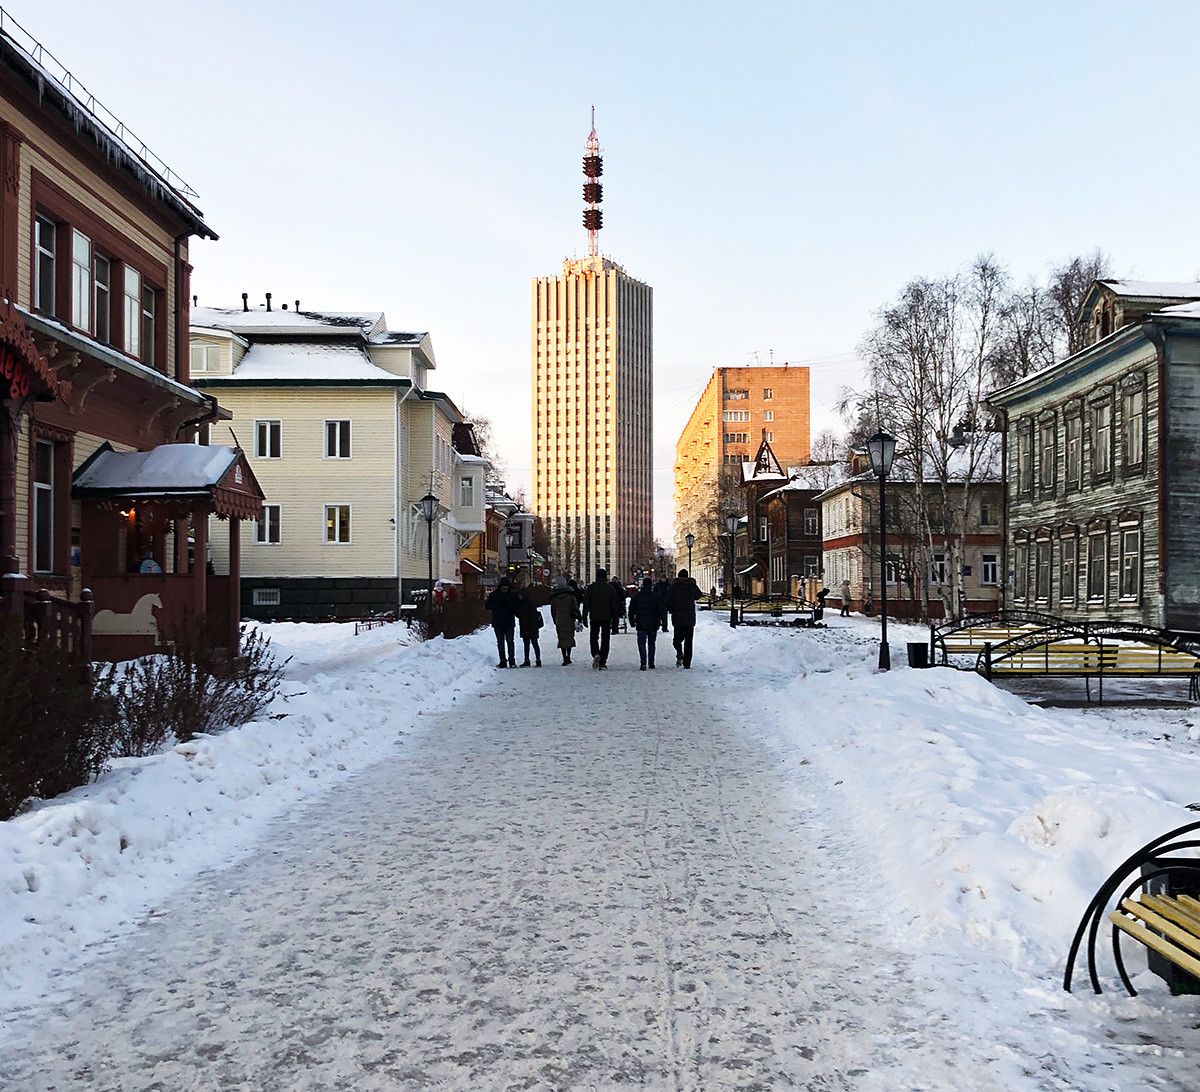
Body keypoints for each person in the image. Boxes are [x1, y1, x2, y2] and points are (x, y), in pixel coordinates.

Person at [581, 567, 623, 670]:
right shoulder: (610, 589)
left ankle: (595, 653)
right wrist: (615, 622)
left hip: (594, 616)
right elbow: (614, 606)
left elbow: (586, 604)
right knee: (605, 638)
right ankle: (603, 661)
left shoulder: (591, 588)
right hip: (606, 617)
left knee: (594, 637)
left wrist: (584, 617)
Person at [666, 568, 704, 668]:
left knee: (676, 640)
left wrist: (671, 610)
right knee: (688, 641)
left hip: (678, 618)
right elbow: (698, 595)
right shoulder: (692, 586)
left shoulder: (674, 587)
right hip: (689, 618)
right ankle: (687, 663)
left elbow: (669, 600)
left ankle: (679, 652)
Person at [628, 577, 667, 670]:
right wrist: (664, 624)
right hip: (653, 623)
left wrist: (632, 622)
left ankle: (643, 663)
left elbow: (631, 610)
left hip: (641, 623)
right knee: (652, 643)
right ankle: (651, 663)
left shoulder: (637, 596)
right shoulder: (656, 596)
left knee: (641, 643)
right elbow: (662, 611)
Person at [484, 577, 519, 668]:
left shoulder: (512, 595)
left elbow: (517, 607)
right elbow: (487, 606)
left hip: (508, 622)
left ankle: (511, 661)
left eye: (506, 588)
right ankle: (503, 660)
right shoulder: (494, 595)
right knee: (501, 642)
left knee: (509, 642)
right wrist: (497, 605)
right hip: (499, 622)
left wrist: (510, 605)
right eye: (504, 588)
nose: (505, 590)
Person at [550, 577, 581, 665]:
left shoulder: (554, 597)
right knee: (569, 637)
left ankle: (564, 657)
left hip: (560, 619)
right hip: (569, 618)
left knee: (562, 638)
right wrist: (578, 616)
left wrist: (554, 619)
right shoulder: (570, 595)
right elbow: (575, 606)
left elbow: (553, 610)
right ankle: (568, 656)